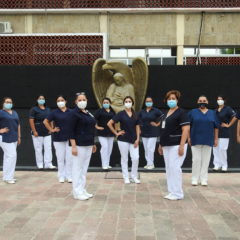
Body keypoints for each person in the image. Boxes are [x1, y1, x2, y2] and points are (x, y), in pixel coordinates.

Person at [158, 90, 190, 200]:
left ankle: (178, 193)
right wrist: (160, 145)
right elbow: (163, 130)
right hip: (166, 145)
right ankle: (171, 191)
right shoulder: (165, 114)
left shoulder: (182, 113)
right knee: (169, 168)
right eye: (169, 99)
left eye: (173, 99)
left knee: (175, 168)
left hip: (177, 145)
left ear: (177, 100)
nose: (171, 101)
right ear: (166, 101)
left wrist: (182, 146)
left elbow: (186, 129)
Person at [69, 92, 97, 201]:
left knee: (84, 169)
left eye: (84, 99)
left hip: (88, 144)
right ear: (75, 102)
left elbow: (91, 128)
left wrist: (93, 143)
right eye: (79, 100)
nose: (82, 102)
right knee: (77, 168)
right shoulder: (73, 114)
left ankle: (82, 188)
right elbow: (70, 130)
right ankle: (76, 192)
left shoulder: (87, 113)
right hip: (79, 144)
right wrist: (74, 146)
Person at [107, 96, 141, 184]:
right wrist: (116, 133)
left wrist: (138, 138)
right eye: (126, 101)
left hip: (134, 139)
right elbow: (109, 123)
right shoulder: (120, 114)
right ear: (124, 103)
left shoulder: (135, 114)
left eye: (129, 101)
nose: (128, 103)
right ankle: (126, 177)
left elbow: (137, 127)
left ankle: (134, 176)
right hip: (123, 139)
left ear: (132, 103)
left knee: (135, 158)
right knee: (124, 158)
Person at [189, 95, 219, 186]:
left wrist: (216, 139)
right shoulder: (192, 112)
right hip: (195, 139)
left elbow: (216, 127)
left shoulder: (213, 113)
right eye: (200, 100)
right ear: (198, 102)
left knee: (206, 161)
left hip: (208, 139)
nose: (202, 102)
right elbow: (187, 126)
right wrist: (188, 138)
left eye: (204, 100)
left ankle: (204, 179)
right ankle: (195, 179)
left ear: (207, 102)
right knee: (196, 160)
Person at [43, 95, 72, 183]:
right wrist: (51, 129)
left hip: (70, 138)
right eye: (58, 101)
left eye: (62, 100)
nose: (60, 102)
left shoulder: (71, 111)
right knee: (60, 158)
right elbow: (45, 121)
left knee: (69, 158)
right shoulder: (54, 112)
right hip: (58, 138)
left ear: (65, 101)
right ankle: (61, 175)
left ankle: (69, 175)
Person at [29, 95, 56, 169]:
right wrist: (34, 131)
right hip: (37, 132)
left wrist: (51, 128)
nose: (41, 100)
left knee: (48, 148)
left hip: (47, 132)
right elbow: (31, 121)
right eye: (40, 99)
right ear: (37, 100)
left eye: (43, 98)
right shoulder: (34, 109)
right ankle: (40, 164)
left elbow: (51, 119)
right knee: (38, 149)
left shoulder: (48, 109)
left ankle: (48, 163)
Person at [138, 96, 164, 169]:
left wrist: (157, 124)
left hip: (153, 132)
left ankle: (151, 164)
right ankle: (148, 163)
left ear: (152, 102)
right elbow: (138, 120)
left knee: (150, 148)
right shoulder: (142, 111)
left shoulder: (156, 110)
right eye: (147, 101)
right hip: (144, 132)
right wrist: (139, 128)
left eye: (150, 101)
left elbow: (163, 117)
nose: (148, 103)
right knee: (146, 148)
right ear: (145, 102)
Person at [213, 95, 237, 172]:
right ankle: (217, 165)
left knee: (222, 149)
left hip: (224, 132)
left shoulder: (228, 109)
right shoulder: (215, 110)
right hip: (215, 132)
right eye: (218, 99)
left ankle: (224, 165)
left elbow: (235, 116)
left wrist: (229, 125)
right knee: (215, 149)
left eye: (221, 99)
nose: (219, 101)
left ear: (224, 100)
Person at [0, 97, 21, 184]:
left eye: (10, 102)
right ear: (3, 103)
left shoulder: (15, 113)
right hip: (4, 137)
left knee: (7, 157)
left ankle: (6, 176)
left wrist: (19, 137)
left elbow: (18, 125)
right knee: (12, 156)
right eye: (7, 102)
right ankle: (9, 177)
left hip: (14, 137)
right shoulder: (1, 112)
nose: (9, 103)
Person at [94, 98, 115, 170]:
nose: (106, 104)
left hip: (111, 133)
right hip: (102, 133)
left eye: (107, 102)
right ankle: (104, 164)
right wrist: (97, 126)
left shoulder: (112, 111)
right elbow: (94, 119)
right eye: (104, 102)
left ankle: (107, 163)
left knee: (109, 149)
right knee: (105, 147)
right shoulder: (99, 111)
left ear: (110, 103)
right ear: (102, 103)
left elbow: (114, 121)